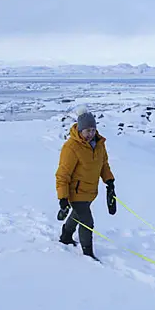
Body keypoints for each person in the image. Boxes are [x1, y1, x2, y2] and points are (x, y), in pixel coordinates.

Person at [55, 107, 116, 260]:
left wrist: (109, 181)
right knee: (87, 221)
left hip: (90, 191)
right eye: (87, 131)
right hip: (76, 192)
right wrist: (63, 198)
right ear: (80, 130)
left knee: (77, 214)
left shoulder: (100, 144)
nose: (90, 134)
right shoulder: (71, 147)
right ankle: (88, 254)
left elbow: (104, 165)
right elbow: (63, 174)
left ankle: (66, 237)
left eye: (93, 130)